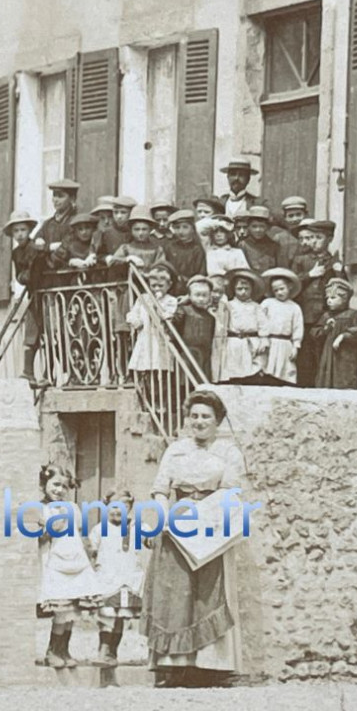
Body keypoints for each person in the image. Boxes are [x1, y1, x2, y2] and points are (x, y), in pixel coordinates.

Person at [140, 390, 251, 687]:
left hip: (211, 525)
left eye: (206, 417)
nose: (199, 422)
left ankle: (211, 666)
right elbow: (161, 489)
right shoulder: (175, 450)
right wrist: (164, 518)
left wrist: (209, 517)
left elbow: (231, 491)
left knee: (208, 593)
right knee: (174, 594)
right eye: (194, 416)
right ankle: (173, 666)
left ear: (217, 421)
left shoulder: (228, 452)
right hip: (178, 524)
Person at [36, 464, 101, 669]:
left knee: (72, 610)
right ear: (44, 484)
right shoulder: (40, 508)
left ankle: (65, 649)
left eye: (64, 486)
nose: (59, 490)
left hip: (75, 560)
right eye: (55, 484)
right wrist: (49, 529)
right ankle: (52, 650)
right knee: (61, 611)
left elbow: (78, 532)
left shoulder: (72, 507)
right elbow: (38, 537)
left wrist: (88, 554)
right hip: (55, 560)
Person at [91, 490, 144, 690]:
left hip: (128, 579)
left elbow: (149, 539)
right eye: (113, 506)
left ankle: (112, 654)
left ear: (130, 507)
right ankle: (104, 650)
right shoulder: (99, 529)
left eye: (124, 506)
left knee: (121, 617)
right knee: (106, 614)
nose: (118, 511)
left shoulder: (137, 527)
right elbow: (92, 552)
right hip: (107, 579)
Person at [290, 219, 345, 385]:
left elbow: (343, 289)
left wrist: (339, 272)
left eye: (318, 237)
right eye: (311, 237)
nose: (313, 241)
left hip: (324, 316)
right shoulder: (301, 260)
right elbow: (290, 285)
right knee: (305, 358)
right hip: (304, 315)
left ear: (329, 239)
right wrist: (310, 275)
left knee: (322, 355)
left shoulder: (333, 262)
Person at [5, 209, 47, 383]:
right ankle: (28, 372)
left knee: (49, 333)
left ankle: (48, 373)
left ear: (29, 230)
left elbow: (41, 267)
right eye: (16, 231)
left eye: (23, 230)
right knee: (31, 333)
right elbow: (20, 276)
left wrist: (31, 273)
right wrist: (24, 277)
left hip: (44, 293)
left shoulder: (36, 247)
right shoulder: (16, 253)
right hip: (32, 295)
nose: (20, 234)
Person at [311, 279, 357, 389]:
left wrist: (343, 336)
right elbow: (314, 333)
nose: (329, 301)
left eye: (333, 298)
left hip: (345, 357)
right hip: (328, 356)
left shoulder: (352, 314)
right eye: (327, 298)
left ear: (344, 299)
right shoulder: (326, 316)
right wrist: (326, 328)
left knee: (344, 380)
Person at [126, 264, 180, 374]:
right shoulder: (143, 298)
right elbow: (133, 313)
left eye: (160, 286)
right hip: (145, 336)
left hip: (160, 337)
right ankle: (146, 387)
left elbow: (168, 315)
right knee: (144, 364)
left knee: (159, 365)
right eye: (153, 286)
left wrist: (157, 306)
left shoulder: (171, 300)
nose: (156, 289)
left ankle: (158, 386)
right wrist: (135, 320)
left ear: (169, 285)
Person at [221, 268, 268, 382]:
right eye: (239, 289)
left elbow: (263, 325)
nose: (243, 292)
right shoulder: (229, 306)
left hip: (252, 342)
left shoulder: (256, 307)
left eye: (246, 289)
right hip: (234, 342)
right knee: (234, 369)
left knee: (252, 370)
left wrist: (264, 340)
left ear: (252, 290)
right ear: (234, 289)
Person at [259, 269, 304, 385]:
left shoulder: (294, 307)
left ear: (289, 287)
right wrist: (263, 339)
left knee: (285, 372)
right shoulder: (267, 303)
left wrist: (296, 346)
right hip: (270, 342)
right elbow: (259, 320)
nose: (279, 292)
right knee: (267, 370)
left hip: (285, 344)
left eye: (282, 289)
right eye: (276, 290)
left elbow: (297, 328)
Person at [171, 275, 217, 381]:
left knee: (201, 380)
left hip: (204, 355)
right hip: (187, 353)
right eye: (197, 295)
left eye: (204, 295)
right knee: (185, 381)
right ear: (190, 296)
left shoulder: (210, 318)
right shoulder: (183, 311)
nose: (201, 299)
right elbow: (174, 331)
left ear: (210, 297)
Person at [105, 207, 169, 279]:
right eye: (136, 229)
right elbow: (112, 262)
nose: (140, 233)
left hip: (150, 286)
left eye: (144, 229)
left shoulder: (157, 250)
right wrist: (127, 259)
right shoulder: (125, 248)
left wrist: (149, 274)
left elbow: (162, 268)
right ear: (131, 230)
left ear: (150, 230)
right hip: (128, 286)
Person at [50, 212, 101, 283]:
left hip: (96, 282)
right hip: (72, 283)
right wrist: (71, 262)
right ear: (75, 231)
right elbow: (54, 260)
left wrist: (96, 258)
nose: (84, 232)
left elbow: (105, 256)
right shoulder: (69, 243)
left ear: (93, 229)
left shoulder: (98, 241)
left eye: (87, 228)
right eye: (80, 229)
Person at [161, 208, 208, 282]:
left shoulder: (197, 250)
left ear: (192, 229)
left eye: (185, 227)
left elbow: (201, 274)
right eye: (177, 227)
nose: (181, 231)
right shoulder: (169, 247)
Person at [238, 207, 285, 274]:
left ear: (268, 227)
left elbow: (280, 268)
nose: (258, 230)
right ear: (248, 227)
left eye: (262, 226)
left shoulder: (274, 246)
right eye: (254, 226)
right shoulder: (243, 245)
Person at [218, 158, 262, 223]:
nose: (236, 178)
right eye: (233, 174)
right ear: (228, 177)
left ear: (248, 179)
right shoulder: (219, 202)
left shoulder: (257, 203)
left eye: (241, 175)